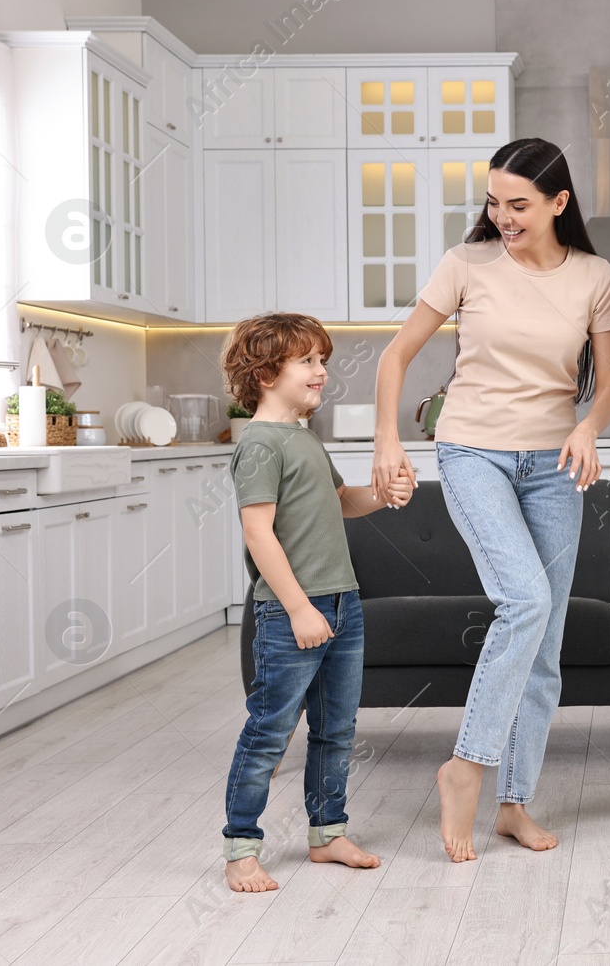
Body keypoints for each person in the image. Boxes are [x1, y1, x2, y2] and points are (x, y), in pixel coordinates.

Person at [371, 137, 610, 863]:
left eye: (519, 204)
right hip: (473, 450)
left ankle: (514, 802)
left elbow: (607, 388)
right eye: (494, 202)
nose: (503, 217)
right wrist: (389, 441)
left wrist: (588, 428)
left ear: (558, 203)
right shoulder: (467, 263)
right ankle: (466, 765)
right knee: (526, 600)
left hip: (554, 463)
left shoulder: (594, 276)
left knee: (544, 647)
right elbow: (395, 355)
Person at [220, 312, 414, 893]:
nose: (321, 372)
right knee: (270, 730)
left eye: (321, 360)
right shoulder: (257, 444)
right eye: (307, 361)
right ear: (263, 373)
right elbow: (260, 534)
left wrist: (383, 495)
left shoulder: (303, 437)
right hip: (291, 612)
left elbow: (340, 502)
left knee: (336, 729)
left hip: (343, 604)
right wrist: (301, 608)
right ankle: (240, 847)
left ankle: (328, 833)